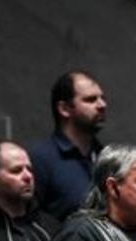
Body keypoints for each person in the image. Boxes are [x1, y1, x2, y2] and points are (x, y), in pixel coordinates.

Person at [29, 71, 107, 222]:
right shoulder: (40, 159)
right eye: (90, 100)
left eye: (102, 98)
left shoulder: (105, 156)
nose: (102, 105)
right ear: (64, 109)